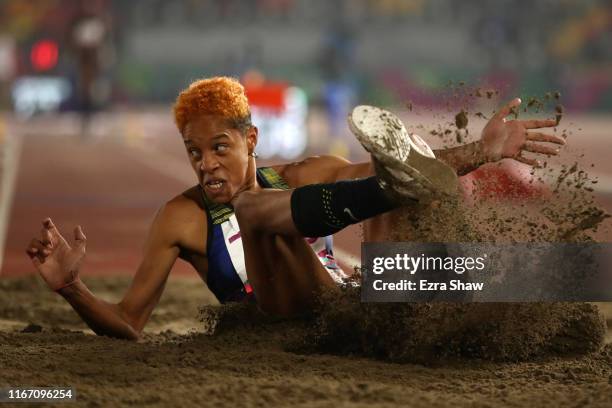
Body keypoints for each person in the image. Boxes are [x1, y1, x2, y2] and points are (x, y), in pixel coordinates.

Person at [25, 77, 564, 340]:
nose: (205, 164)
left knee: (398, 193)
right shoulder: (179, 217)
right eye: (193, 152)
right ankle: (398, 196)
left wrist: (482, 153)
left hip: (352, 315)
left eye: (219, 148)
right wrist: (72, 288)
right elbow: (129, 323)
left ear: (251, 139)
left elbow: (379, 172)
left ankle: (508, 283)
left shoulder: (304, 172)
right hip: (281, 321)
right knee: (254, 210)